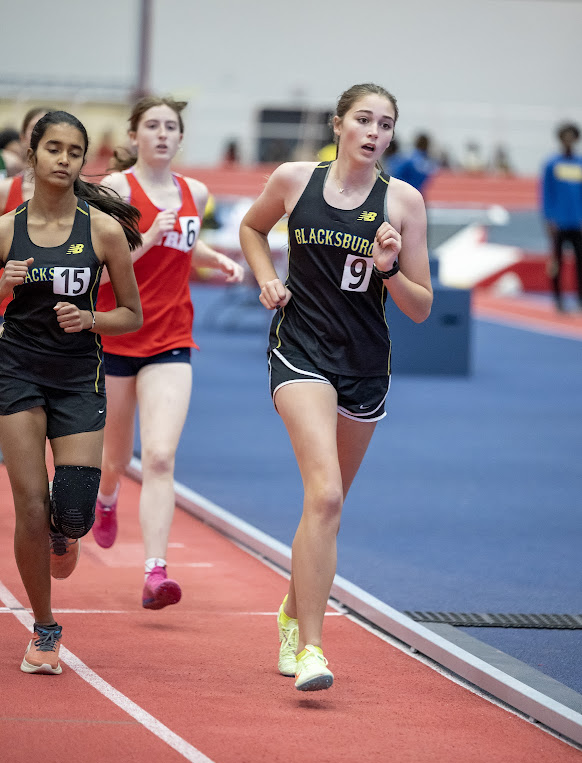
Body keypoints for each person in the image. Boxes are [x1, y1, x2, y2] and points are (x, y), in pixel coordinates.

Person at [239, 83, 432, 691]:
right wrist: (266, 278)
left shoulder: (404, 202)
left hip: (365, 362)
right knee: (323, 496)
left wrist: (389, 268)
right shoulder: (294, 180)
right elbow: (252, 229)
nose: (374, 132)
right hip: (300, 350)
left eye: (386, 124)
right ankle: (312, 650)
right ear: (339, 124)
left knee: (329, 505)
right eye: (364, 120)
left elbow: (421, 307)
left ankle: (290, 611)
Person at [0, 110, 143, 675]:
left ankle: (69, 531)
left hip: (78, 375)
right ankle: (44, 627)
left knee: (73, 511)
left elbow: (131, 315)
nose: (63, 159)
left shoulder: (103, 231)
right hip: (16, 372)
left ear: (84, 161)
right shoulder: (6, 230)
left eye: (74, 151)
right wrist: (3, 284)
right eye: (53, 148)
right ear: (32, 154)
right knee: (30, 506)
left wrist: (90, 319)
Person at [93, 96, 244, 610]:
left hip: (171, 339)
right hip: (116, 336)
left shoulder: (194, 192)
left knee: (159, 456)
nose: (162, 134)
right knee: (114, 459)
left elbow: (186, 242)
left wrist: (214, 259)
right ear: (133, 136)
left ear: (181, 138)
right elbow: (99, 270)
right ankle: (106, 498)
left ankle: (155, 572)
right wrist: (148, 236)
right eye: (152, 125)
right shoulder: (115, 190)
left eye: (170, 127)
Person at [0, 108, 54, 319]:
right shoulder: (5, 190)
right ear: (23, 138)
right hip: (7, 308)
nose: (43, 134)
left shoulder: (80, 195)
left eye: (49, 128)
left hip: (55, 310)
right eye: (35, 128)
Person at [541, 121, 582, 312]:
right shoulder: (552, 164)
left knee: (580, 262)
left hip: (577, 222)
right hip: (558, 223)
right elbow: (546, 193)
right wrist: (549, 219)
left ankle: (580, 299)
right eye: (565, 137)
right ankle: (558, 299)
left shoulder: (579, 164)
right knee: (556, 262)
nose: (568, 141)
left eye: (571, 137)